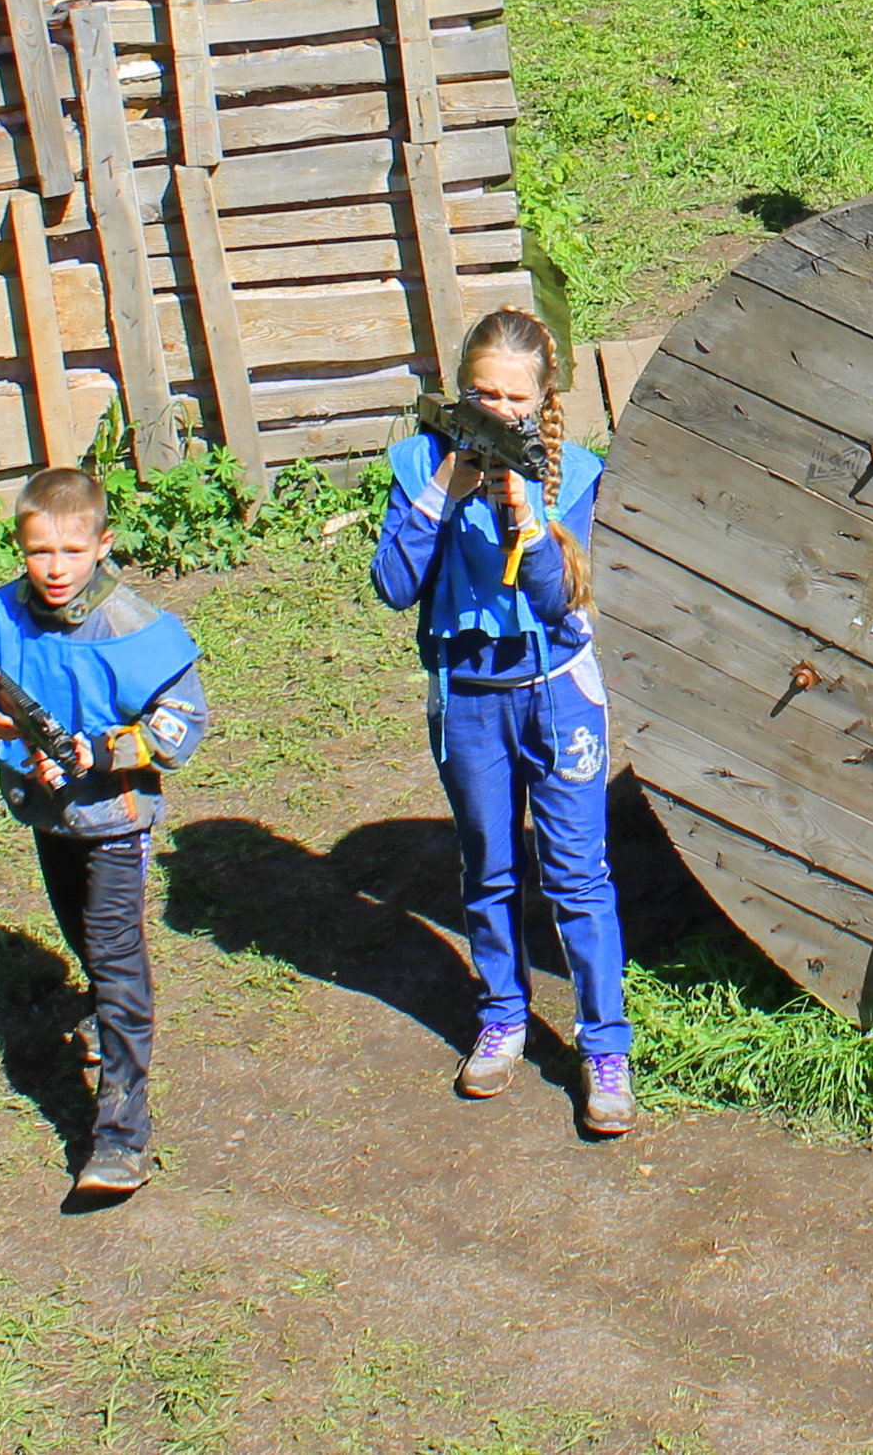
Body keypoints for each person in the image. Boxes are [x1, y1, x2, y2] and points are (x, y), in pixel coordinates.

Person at [371, 309, 631, 1137]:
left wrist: (527, 517)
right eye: (483, 395)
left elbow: (561, 601)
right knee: (489, 865)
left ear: (542, 398)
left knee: (578, 876)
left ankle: (604, 1046)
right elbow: (393, 584)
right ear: (459, 391)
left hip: (555, 691)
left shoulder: (571, 473)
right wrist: (444, 489)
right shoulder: (421, 461)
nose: (498, 412)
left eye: (515, 399)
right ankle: (503, 1016)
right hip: (471, 695)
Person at [0, 465, 208, 1200]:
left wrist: (108, 750)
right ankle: (106, 1007)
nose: (54, 570)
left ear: (102, 544)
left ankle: (122, 1137)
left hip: (114, 819)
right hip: (47, 815)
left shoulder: (140, 629)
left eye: (71, 552)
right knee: (88, 943)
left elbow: (183, 723)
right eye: (39, 553)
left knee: (116, 959)